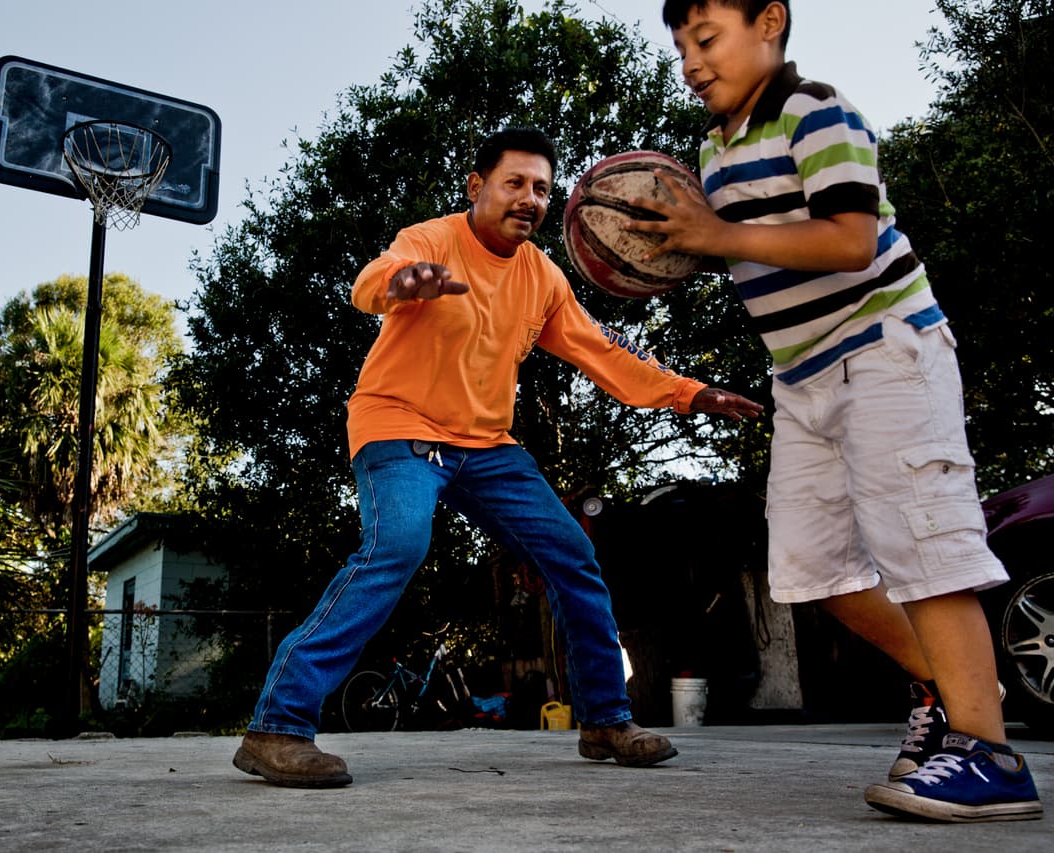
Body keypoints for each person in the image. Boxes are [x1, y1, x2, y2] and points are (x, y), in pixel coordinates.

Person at [232, 126, 763, 788]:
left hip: (485, 445)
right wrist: (406, 280)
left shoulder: (541, 276)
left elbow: (602, 353)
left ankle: (604, 720)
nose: (530, 198)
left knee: (573, 554)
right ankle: (276, 726)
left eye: (542, 188)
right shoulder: (433, 239)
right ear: (477, 186)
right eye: (515, 182)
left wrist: (689, 392)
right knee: (397, 544)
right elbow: (371, 280)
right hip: (400, 425)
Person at [638, 0, 1043, 822]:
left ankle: (990, 754)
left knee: (924, 549)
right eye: (681, 47)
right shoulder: (715, 152)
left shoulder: (813, 110)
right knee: (812, 568)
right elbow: (742, 245)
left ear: (771, 23)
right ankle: (948, 685)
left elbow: (851, 239)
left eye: (707, 39)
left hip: (886, 348)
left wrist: (715, 236)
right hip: (803, 378)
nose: (692, 62)